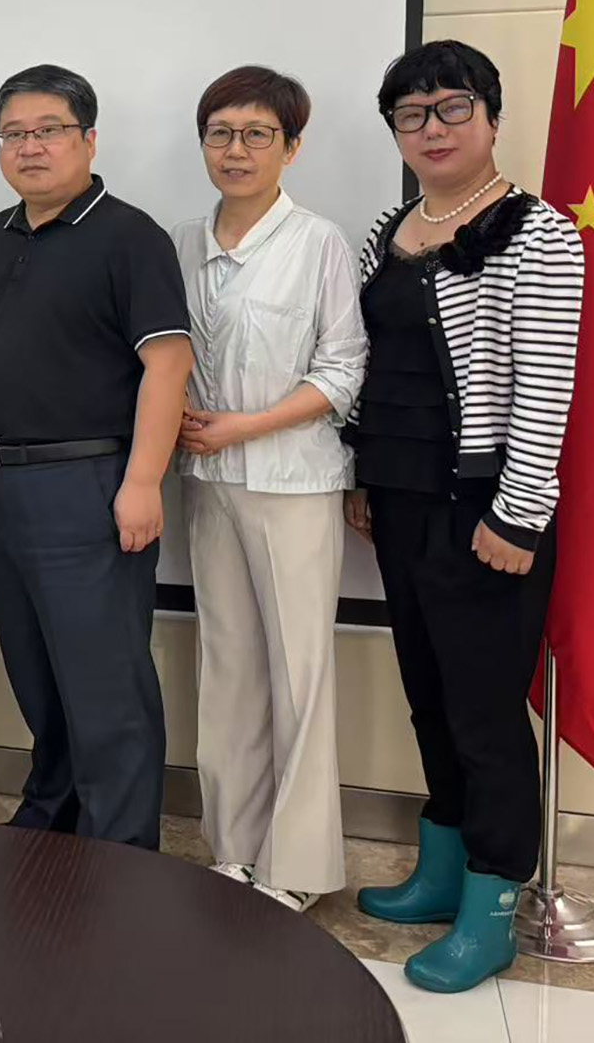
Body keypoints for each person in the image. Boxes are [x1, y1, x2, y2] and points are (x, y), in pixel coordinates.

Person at [345, 40, 583, 993]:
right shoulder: (389, 228)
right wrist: (364, 475)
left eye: (452, 107)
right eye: (411, 114)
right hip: (400, 500)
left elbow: (546, 390)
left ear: (490, 116)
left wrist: (518, 518)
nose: (432, 128)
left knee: (485, 713)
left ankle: (492, 906)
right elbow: (374, 365)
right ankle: (440, 870)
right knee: (429, 695)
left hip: (485, 509)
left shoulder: (539, 232)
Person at [0, 64, 193, 848]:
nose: (30, 146)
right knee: (36, 672)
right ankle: (53, 815)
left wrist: (143, 481)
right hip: (0, 486)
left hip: (86, 486)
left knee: (104, 684)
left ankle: (121, 852)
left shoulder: (129, 236)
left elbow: (168, 364)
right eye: (14, 134)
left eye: (49, 130)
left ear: (89, 139)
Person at [171, 66, 366, 912]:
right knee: (229, 670)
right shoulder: (182, 242)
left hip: (293, 485)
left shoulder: (319, 241)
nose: (236, 150)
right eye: (220, 133)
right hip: (208, 482)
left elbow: (344, 368)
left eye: (257, 134)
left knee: (299, 677)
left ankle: (297, 865)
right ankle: (235, 848)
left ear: (291, 147)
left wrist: (245, 426)